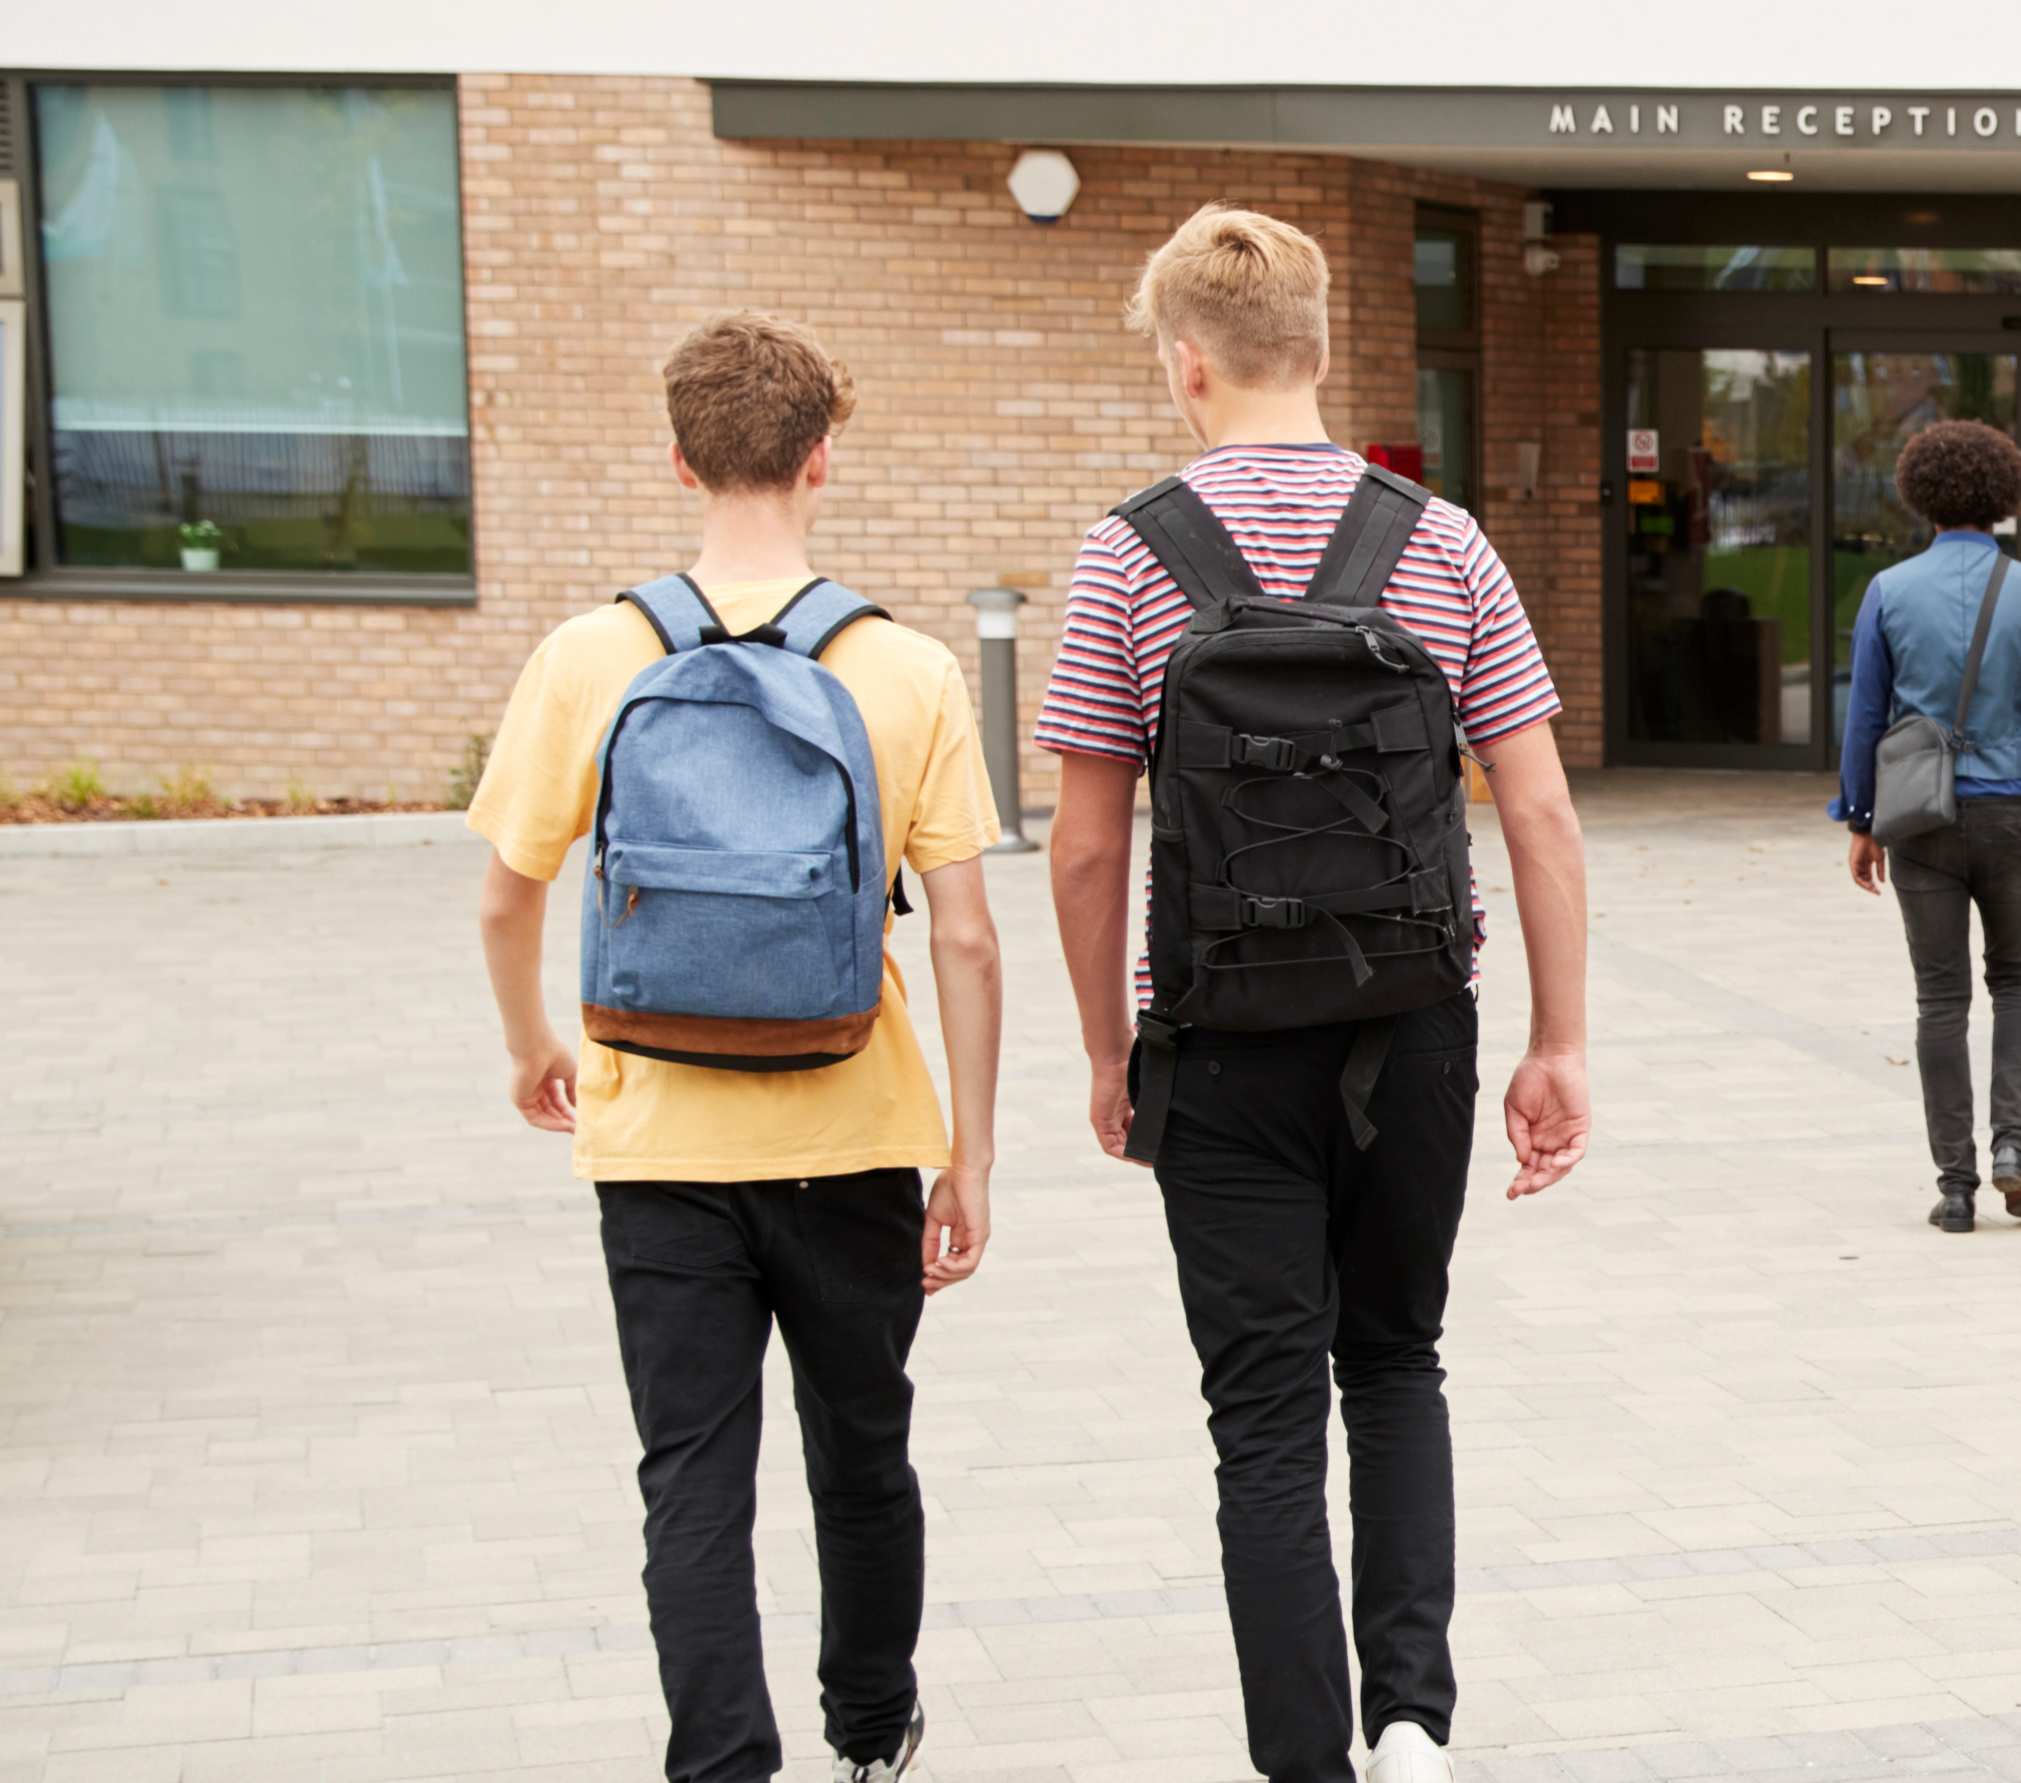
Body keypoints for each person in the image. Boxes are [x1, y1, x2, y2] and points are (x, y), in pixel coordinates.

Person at [1035, 203, 1595, 1783]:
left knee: (1264, 1413)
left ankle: (1306, 1761)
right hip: (1415, 1020)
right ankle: (1411, 1715)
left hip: (1216, 1043)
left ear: (1181, 363)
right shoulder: (1444, 541)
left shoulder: (1127, 553)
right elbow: (1541, 811)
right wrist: (1556, 1039)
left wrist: (1106, 1047)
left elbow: (1086, 848)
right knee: (1397, 1356)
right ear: (1328, 347)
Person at [469, 311, 1001, 1783]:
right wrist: (970, 1150)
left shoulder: (591, 654)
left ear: (681, 457)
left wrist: (534, 1046)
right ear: (824, 456)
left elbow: (508, 894)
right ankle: (868, 1734)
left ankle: (721, 1761)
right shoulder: (905, 668)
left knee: (692, 1478)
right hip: (855, 1133)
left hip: (655, 1140)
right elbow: (963, 934)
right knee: (863, 1454)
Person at [1832, 418, 2021, 1234]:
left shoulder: (1888, 590)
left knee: (1938, 996)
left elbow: (1865, 713)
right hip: (2013, 807)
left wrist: (1861, 817)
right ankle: (2014, 1144)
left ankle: (1954, 1184)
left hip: (1921, 817)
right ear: (2004, 495)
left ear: (1921, 494)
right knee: (2017, 979)